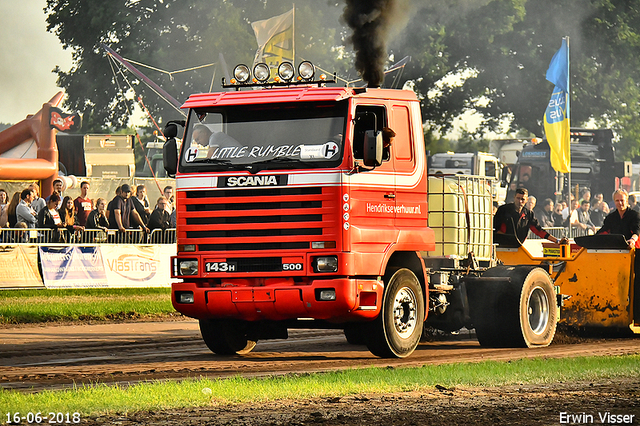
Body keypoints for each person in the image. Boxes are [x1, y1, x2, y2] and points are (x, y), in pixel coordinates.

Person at [494, 188, 568, 245]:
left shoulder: (529, 214)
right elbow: (494, 228)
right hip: (502, 245)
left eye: (522, 199)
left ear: (526, 200)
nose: (520, 201)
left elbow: (539, 230)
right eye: (518, 198)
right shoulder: (503, 210)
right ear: (514, 197)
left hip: (518, 246)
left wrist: (557, 241)